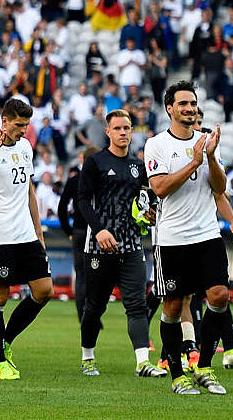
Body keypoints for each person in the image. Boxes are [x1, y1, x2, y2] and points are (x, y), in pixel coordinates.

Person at [145, 80, 231, 395]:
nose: (189, 109)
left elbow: (219, 187)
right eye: (182, 104)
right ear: (170, 108)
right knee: (172, 306)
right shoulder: (156, 144)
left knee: (220, 295)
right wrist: (194, 161)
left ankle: (204, 366)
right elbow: (160, 188)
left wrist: (208, 157)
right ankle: (178, 376)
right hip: (171, 240)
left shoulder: (207, 141)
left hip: (207, 234)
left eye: (192, 103)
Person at [76, 109, 168, 378]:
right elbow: (82, 200)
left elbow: (145, 201)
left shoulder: (138, 166)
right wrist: (100, 230)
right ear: (108, 132)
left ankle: (142, 363)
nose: (123, 132)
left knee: (136, 305)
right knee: (95, 306)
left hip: (131, 245)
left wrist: (149, 215)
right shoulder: (95, 163)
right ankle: (88, 357)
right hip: (99, 246)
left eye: (127, 128)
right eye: (117, 128)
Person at [0, 98, 52, 381]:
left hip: (26, 235)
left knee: (44, 290)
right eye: (19, 125)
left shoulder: (25, 147)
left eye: (26, 125)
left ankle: (4, 341)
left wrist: (39, 231)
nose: (24, 130)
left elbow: (29, 191)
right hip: (1, 236)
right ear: (4, 122)